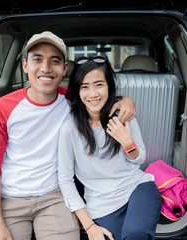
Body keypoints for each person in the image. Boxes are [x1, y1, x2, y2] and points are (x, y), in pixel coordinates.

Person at [0, 31, 136, 240]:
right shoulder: (2, 108)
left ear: (64, 69)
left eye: (54, 61)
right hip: (10, 198)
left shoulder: (73, 100)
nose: (45, 68)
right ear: (25, 65)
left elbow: (99, 97)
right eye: (37, 60)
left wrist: (126, 101)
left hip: (54, 196)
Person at [58, 56, 162, 240]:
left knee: (136, 234)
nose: (93, 94)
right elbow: (65, 180)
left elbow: (140, 159)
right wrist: (89, 226)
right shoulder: (69, 129)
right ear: (77, 91)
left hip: (137, 188)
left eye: (99, 85)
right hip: (101, 204)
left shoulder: (122, 116)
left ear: (109, 86)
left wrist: (127, 144)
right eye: (85, 87)